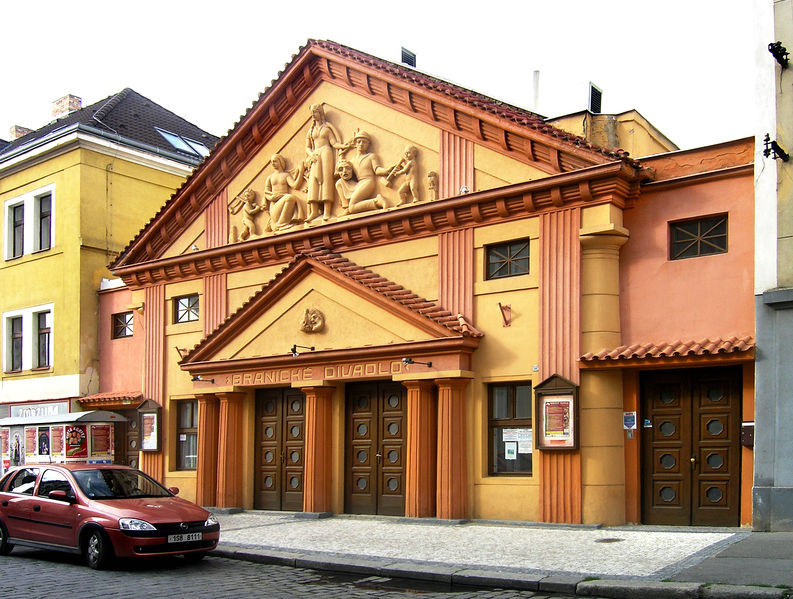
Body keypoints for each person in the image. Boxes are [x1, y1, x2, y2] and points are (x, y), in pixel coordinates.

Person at [305, 104, 350, 222]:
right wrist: (311, 154)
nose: (313, 115)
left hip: (326, 153)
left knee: (326, 179)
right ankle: (314, 211)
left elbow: (334, 143)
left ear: (320, 113)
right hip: (315, 155)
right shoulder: (311, 131)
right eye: (312, 113)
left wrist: (344, 146)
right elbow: (307, 147)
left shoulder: (326, 128)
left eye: (315, 112)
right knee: (313, 181)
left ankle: (327, 211)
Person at [346, 130, 388, 214]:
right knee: (339, 183)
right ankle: (346, 208)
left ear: (368, 144)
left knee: (352, 207)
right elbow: (346, 175)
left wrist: (387, 171)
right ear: (355, 144)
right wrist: (341, 153)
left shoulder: (371, 156)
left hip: (368, 181)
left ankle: (377, 201)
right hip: (358, 184)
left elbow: (377, 170)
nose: (361, 144)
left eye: (364, 142)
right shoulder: (352, 161)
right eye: (359, 141)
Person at [264, 154, 306, 230]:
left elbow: (295, 186)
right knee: (289, 197)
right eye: (271, 162)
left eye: (275, 161)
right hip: (275, 206)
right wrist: (271, 198)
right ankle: (281, 224)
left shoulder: (286, 175)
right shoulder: (270, 177)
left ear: (280, 162)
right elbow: (266, 192)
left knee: (290, 197)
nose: (272, 164)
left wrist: (301, 172)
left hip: (284, 203)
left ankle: (281, 223)